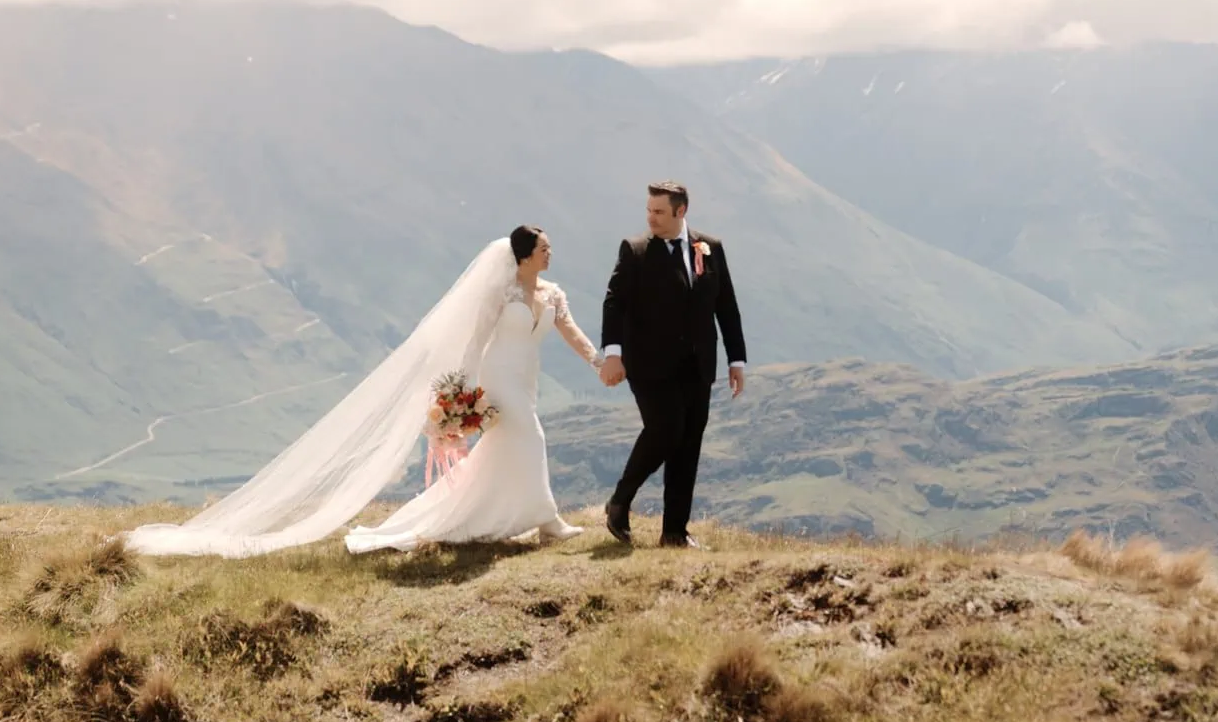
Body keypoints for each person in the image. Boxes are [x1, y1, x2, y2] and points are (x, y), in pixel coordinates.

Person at [118, 226, 597, 557]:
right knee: (530, 439)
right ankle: (548, 522)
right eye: (543, 247)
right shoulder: (502, 293)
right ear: (524, 254)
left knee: (505, 451)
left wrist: (599, 360)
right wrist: (462, 395)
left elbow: (571, 331)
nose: (549, 253)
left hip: (526, 380)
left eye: (549, 248)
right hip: (498, 379)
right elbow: (473, 342)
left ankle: (489, 515)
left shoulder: (551, 294)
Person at [597, 181, 747, 549]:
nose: (651, 218)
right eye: (649, 210)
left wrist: (736, 359)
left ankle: (675, 532)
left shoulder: (710, 248)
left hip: (698, 365)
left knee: (688, 443)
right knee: (666, 429)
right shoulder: (634, 251)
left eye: (659, 211)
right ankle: (620, 500)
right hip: (649, 364)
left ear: (681, 212)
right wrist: (612, 354)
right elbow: (614, 302)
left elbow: (725, 305)